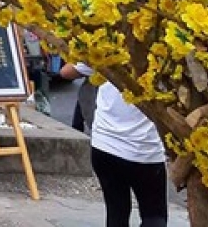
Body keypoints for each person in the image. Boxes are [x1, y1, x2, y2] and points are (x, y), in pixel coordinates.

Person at [61, 63, 167, 227]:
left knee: (116, 213)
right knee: (154, 215)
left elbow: (66, 72)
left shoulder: (108, 47)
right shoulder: (164, 56)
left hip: (105, 144)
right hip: (145, 150)